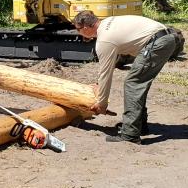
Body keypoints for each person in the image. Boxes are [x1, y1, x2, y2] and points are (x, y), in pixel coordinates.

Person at [73, 10, 177, 144]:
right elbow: (113, 63)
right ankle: (139, 126)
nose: (78, 33)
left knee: (133, 83)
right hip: (165, 37)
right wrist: (99, 85)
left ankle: (130, 134)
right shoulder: (107, 23)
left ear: (86, 27)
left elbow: (106, 73)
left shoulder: (104, 39)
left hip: (157, 42)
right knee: (137, 82)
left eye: (78, 29)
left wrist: (102, 104)